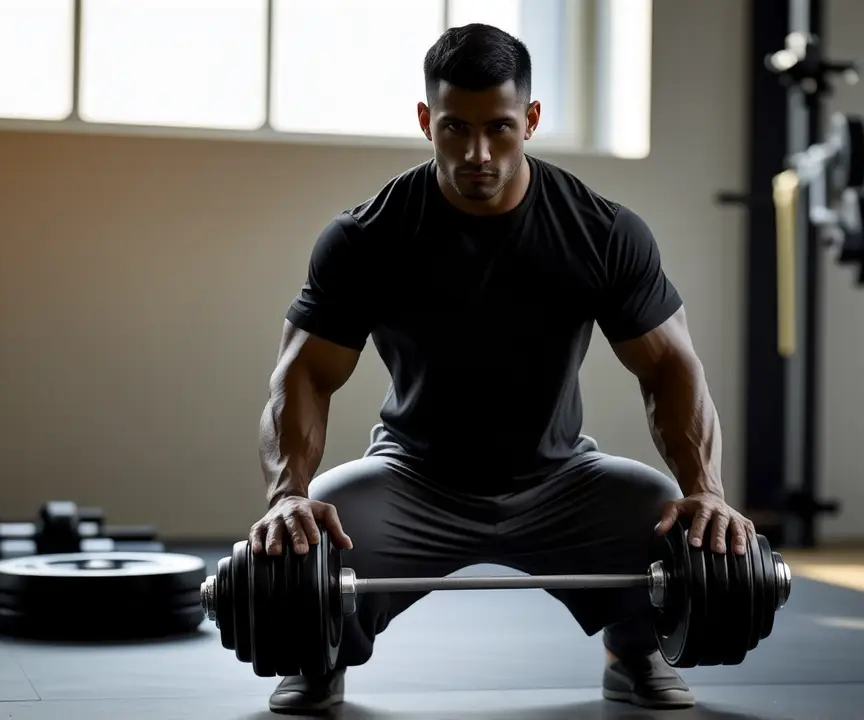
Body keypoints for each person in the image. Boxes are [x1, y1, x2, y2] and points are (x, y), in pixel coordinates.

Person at [250, 22, 756, 715]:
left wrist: (708, 488)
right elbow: (302, 374)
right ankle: (321, 659)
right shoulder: (367, 238)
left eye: (500, 128)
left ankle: (630, 653)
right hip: (413, 478)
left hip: (561, 478)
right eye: (455, 128)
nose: (477, 153)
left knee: (677, 522)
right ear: (426, 120)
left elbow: (671, 366)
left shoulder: (602, 232)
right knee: (302, 539)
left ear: (532, 121)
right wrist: (287, 494)